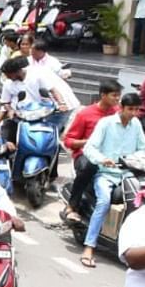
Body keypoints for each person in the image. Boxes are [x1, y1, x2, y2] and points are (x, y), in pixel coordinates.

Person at [80, 92, 145, 268]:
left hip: (127, 174)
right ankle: (89, 247)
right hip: (105, 173)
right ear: (121, 108)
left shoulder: (136, 124)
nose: (134, 113)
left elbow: (144, 146)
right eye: (130, 109)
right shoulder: (106, 123)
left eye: (137, 110)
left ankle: (132, 246)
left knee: (140, 203)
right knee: (104, 202)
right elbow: (89, 147)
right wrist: (101, 159)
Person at [61, 79, 122, 224]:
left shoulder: (118, 114)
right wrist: (88, 142)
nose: (117, 99)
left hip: (111, 156)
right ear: (103, 95)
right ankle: (72, 206)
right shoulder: (85, 114)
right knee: (90, 165)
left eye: (119, 95)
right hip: (85, 155)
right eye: (114, 95)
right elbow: (68, 141)